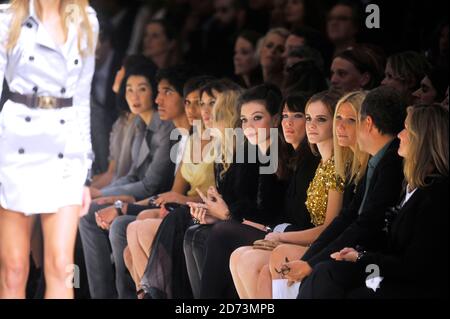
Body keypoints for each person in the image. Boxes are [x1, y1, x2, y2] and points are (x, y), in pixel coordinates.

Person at [298, 103, 449, 299]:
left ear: (424, 140)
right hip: (385, 271)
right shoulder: (413, 185)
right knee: (325, 271)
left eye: (407, 130)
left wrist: (362, 258)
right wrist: (356, 254)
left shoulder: (437, 195)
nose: (400, 135)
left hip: (412, 284)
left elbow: (415, 266)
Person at [0, 0, 98, 298]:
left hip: (66, 145)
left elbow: (82, 99)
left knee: (60, 265)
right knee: (15, 268)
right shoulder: (7, 18)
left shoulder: (86, 19)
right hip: (16, 142)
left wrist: (86, 171)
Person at [277, 86, 406, 289]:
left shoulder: (387, 163)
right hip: (351, 249)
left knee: (314, 270)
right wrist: (308, 260)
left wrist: (310, 262)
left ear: (368, 123)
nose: (341, 127)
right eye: (339, 118)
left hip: (373, 259)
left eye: (351, 120)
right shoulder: (374, 162)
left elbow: (364, 223)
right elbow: (345, 218)